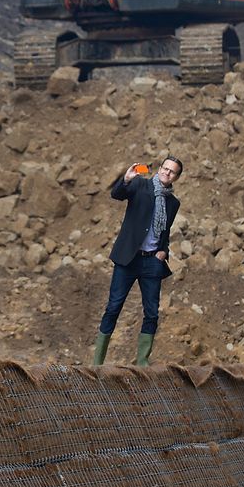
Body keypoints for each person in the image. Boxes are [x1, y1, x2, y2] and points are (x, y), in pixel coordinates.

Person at [92, 157, 183, 367]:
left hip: (152, 262)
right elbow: (116, 195)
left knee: (151, 313)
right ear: (159, 169)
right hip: (128, 258)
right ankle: (96, 363)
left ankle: (143, 364)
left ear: (177, 177)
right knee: (114, 307)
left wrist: (163, 251)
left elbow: (165, 231)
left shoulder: (173, 203)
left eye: (172, 172)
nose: (167, 173)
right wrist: (126, 179)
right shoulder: (141, 185)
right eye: (165, 168)